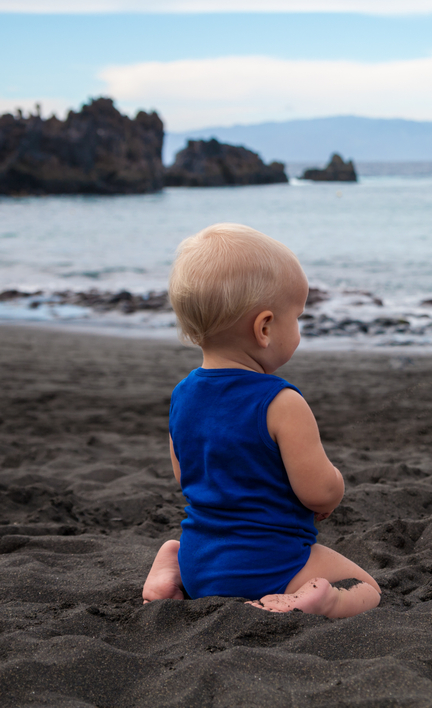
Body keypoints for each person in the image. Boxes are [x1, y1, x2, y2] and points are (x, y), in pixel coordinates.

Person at [142, 223, 380, 618]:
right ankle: (317, 600)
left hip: (202, 565)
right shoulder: (281, 402)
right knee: (365, 588)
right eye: (297, 317)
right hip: (270, 564)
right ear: (265, 327)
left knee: (183, 544)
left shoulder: (182, 394)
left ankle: (173, 565)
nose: (299, 328)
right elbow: (319, 494)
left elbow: (186, 477)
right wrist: (332, 486)